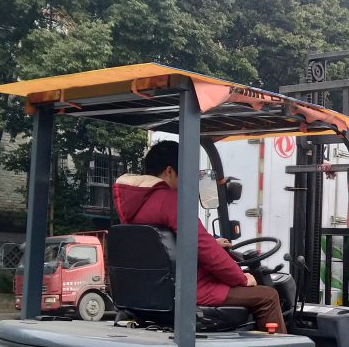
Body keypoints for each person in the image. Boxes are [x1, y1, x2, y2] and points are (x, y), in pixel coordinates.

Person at [112, 140, 286, 333]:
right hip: (190, 289)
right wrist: (241, 278)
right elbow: (203, 248)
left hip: (152, 293)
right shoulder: (169, 200)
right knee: (268, 297)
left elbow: (164, 247)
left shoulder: (133, 207)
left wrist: (213, 243)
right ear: (170, 171)